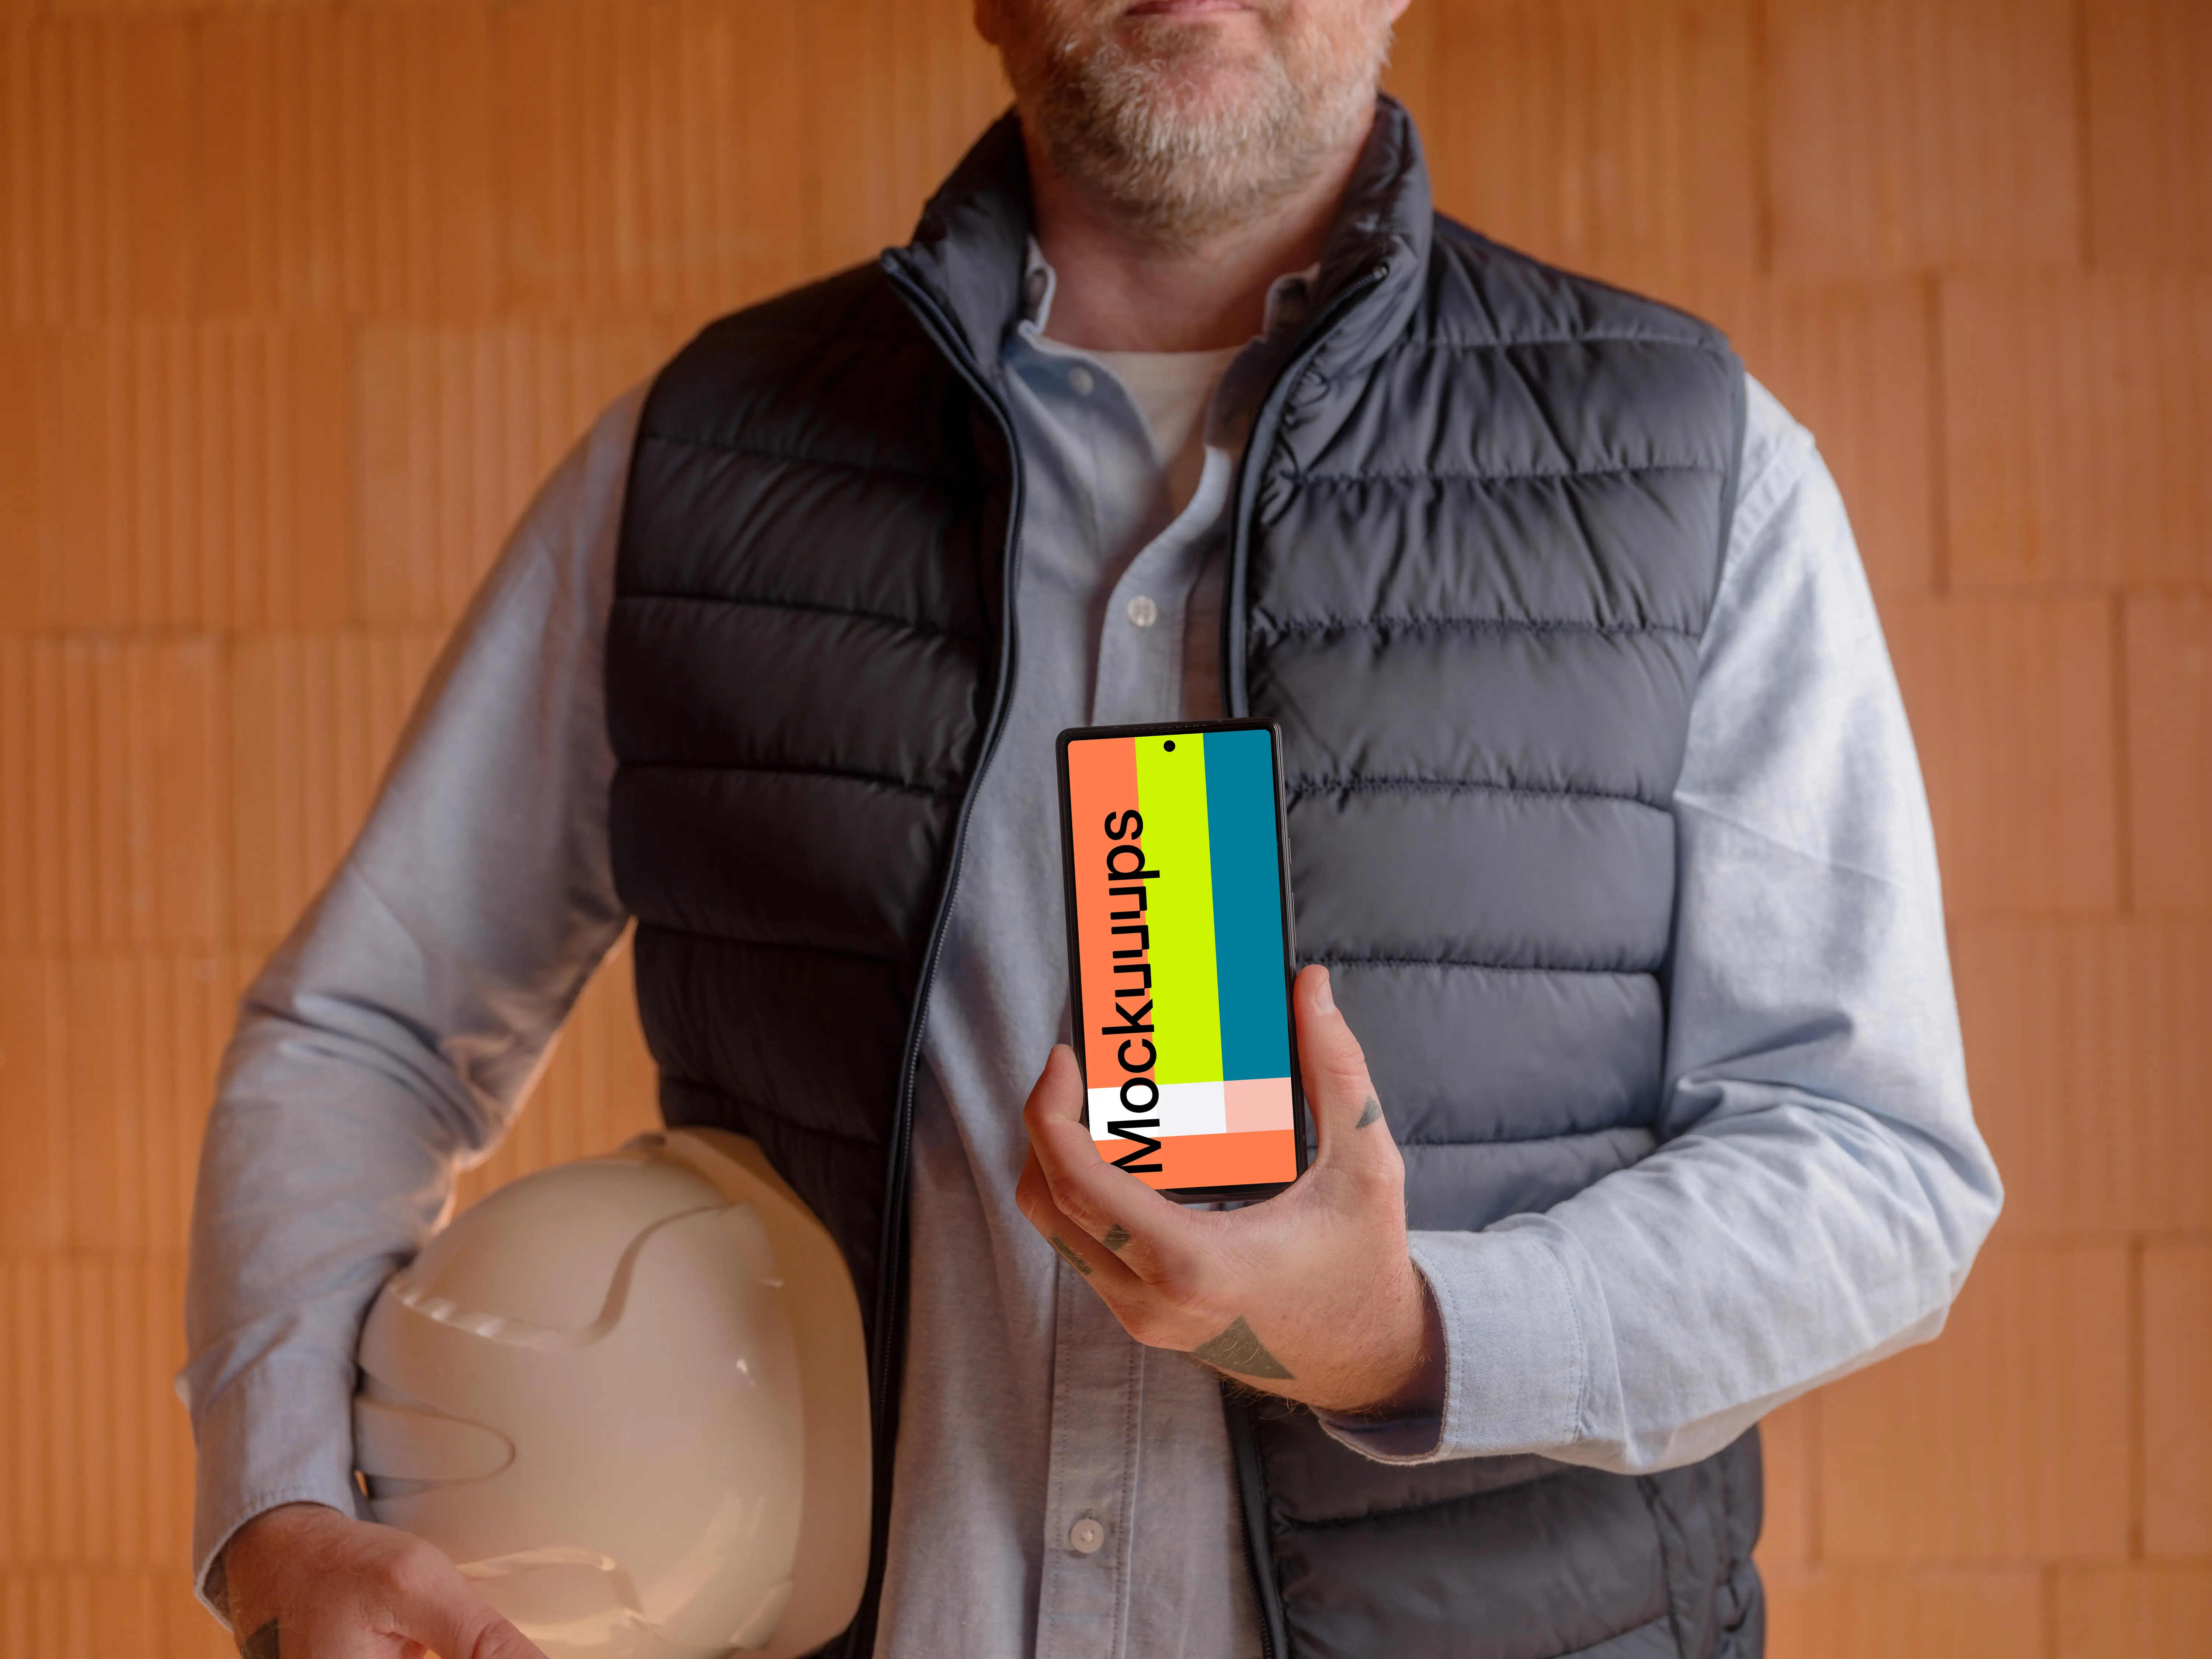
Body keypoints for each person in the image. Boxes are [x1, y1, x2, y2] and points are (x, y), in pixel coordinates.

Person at [183, 0, 2002, 1655]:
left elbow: (1874, 1163)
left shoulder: (1699, 469)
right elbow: (369, 1023)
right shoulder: (698, 458)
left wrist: (1420, 1333)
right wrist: (280, 1509)